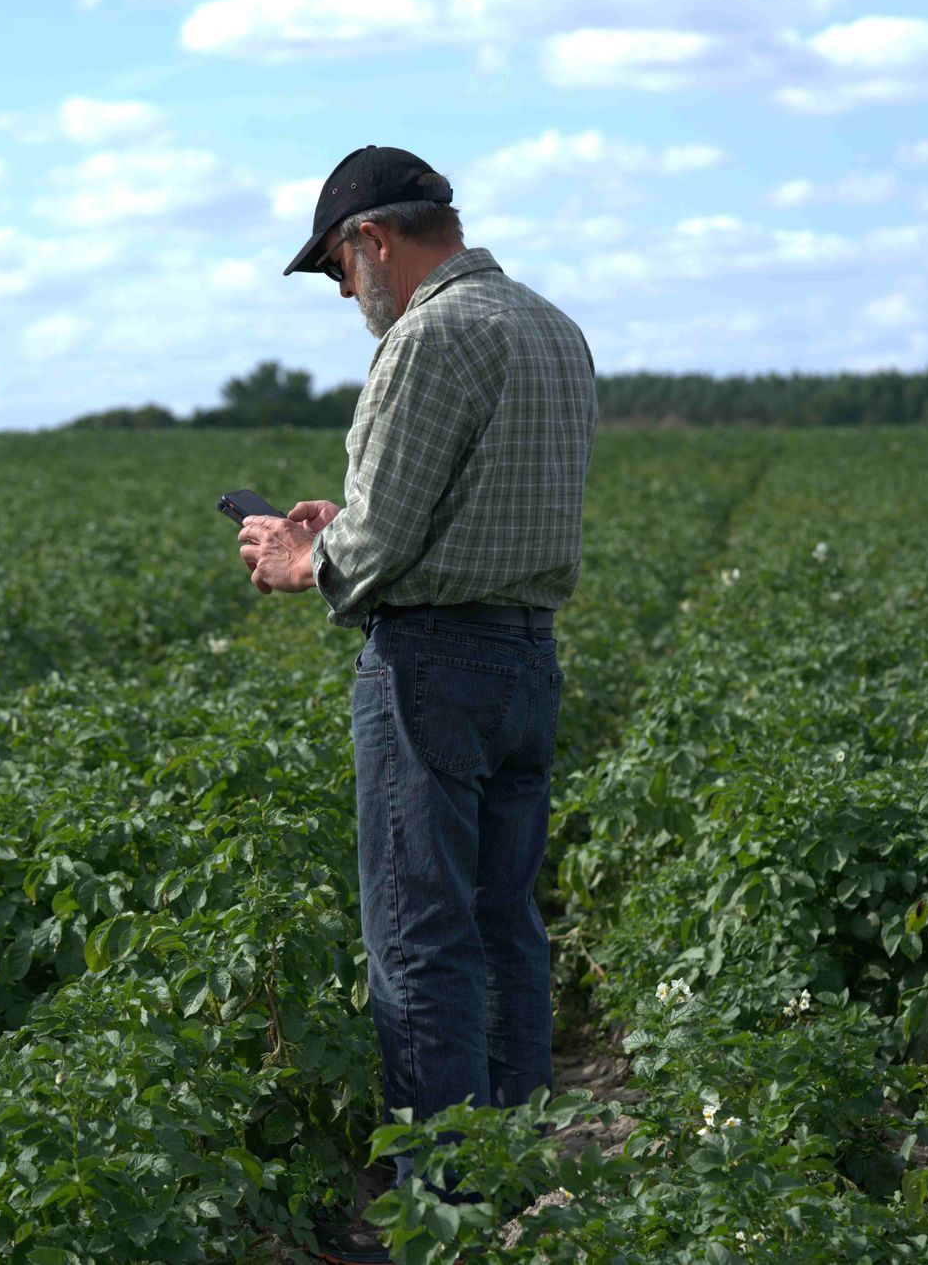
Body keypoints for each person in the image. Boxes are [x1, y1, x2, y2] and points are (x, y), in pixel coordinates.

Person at [236, 145, 598, 1259]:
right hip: (525, 657)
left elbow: (379, 542)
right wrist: (338, 522)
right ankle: (510, 1187)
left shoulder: (428, 335)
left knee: (419, 940)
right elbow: (447, 505)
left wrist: (300, 557)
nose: (347, 295)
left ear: (373, 240)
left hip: (432, 663)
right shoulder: (549, 326)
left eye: (340, 272)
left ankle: (435, 1217)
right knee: (502, 925)